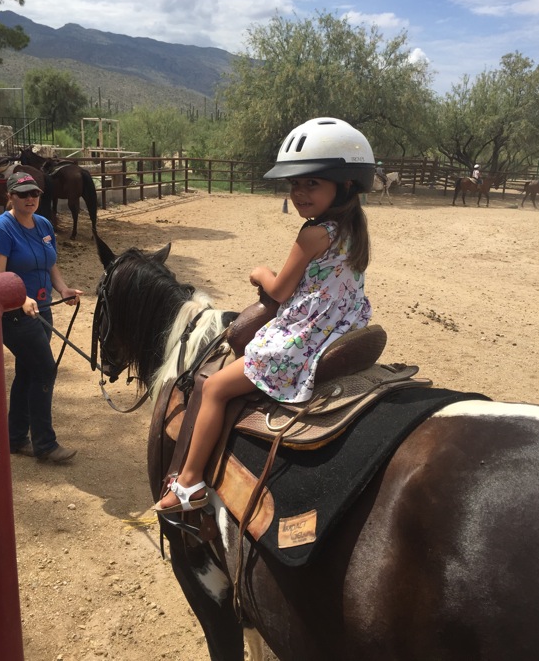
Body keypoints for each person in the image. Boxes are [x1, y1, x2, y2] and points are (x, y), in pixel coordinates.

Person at [155, 117, 377, 513]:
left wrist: (260, 272)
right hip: (341, 324)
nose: (299, 192)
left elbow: (278, 290)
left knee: (214, 387)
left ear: (343, 185)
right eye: (295, 184)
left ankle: (189, 485)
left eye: (312, 183)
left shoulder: (312, 233)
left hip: (305, 335)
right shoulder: (353, 227)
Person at [0, 171, 83, 462]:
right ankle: (45, 444)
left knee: (29, 371)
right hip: (15, 315)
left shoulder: (43, 224)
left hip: (42, 311)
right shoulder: (1, 228)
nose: (30, 198)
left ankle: (16, 437)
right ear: (10, 196)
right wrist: (20, 296)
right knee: (45, 370)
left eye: (34, 193)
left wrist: (63, 290)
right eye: (23, 194)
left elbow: (50, 265)